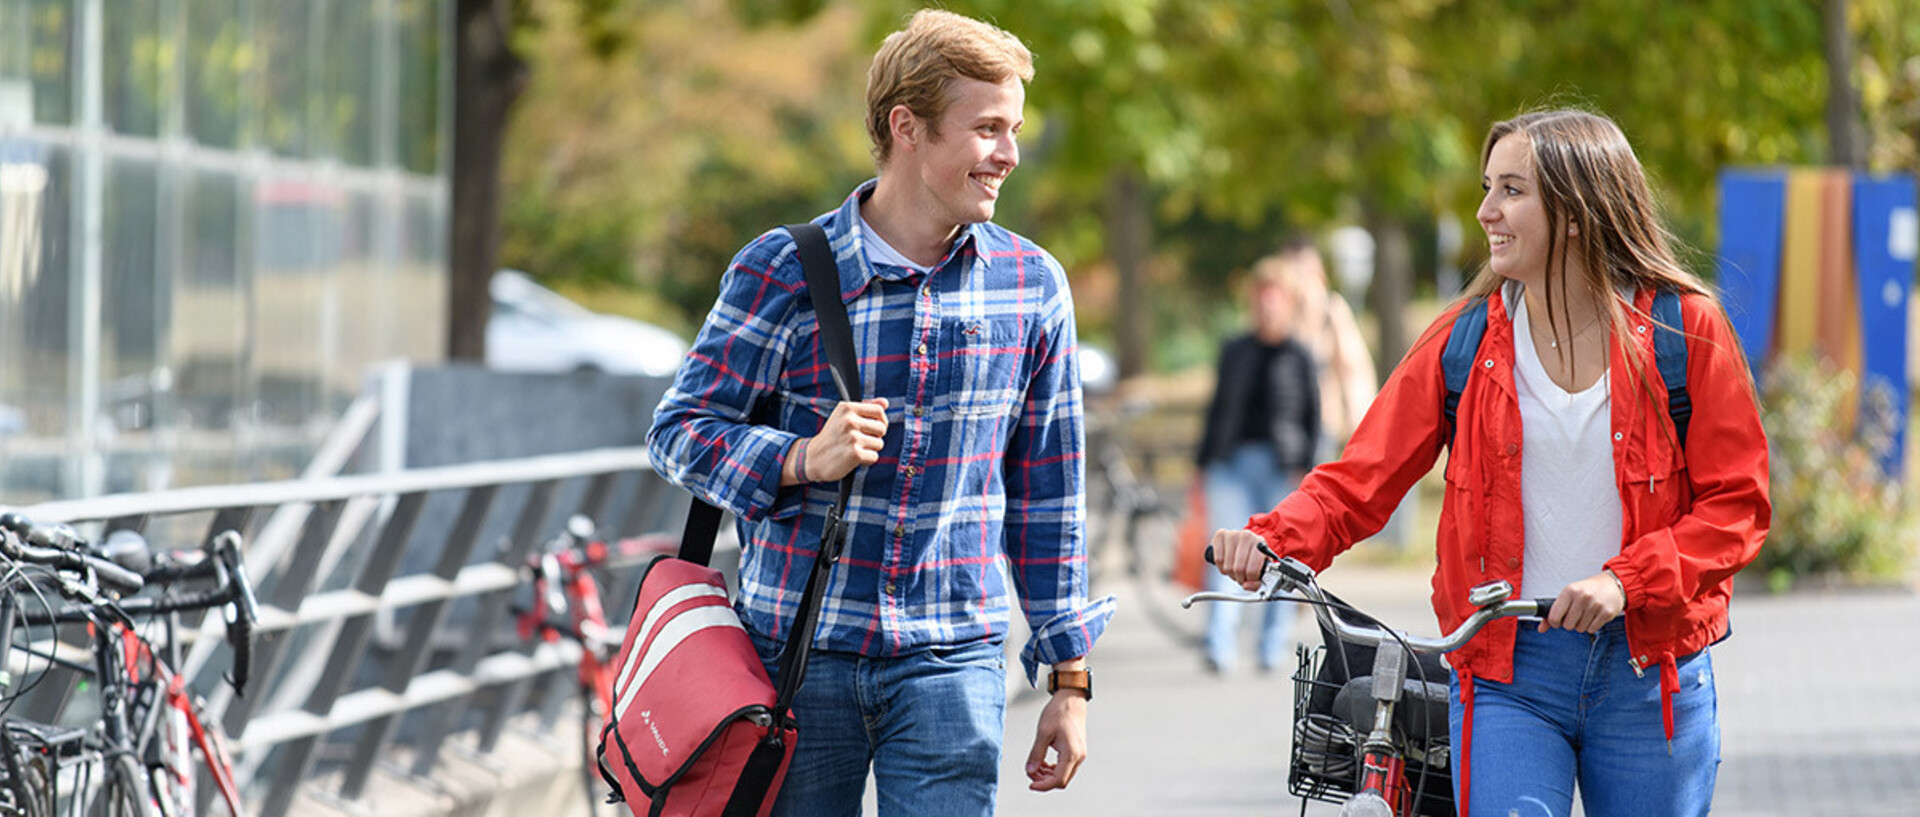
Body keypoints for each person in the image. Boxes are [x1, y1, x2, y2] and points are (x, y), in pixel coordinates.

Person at [1210, 108, 1769, 816]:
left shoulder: (1684, 330)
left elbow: (1737, 507)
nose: (1485, 211)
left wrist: (1626, 581)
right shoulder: (1463, 340)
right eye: (1486, 187)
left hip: (1648, 669)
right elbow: (1360, 479)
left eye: (1511, 190)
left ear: (1576, 209)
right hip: (1508, 668)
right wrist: (1275, 538)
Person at [647, 10, 1114, 815]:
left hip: (953, 664)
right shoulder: (784, 269)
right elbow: (679, 431)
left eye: (1015, 130)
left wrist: (1069, 680)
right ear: (908, 127)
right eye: (988, 129)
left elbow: (1049, 499)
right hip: (797, 658)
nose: (1009, 154)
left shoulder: (1031, 285)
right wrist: (797, 459)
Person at [1193, 257, 1319, 675]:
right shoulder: (1235, 349)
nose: (1267, 307)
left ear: (1288, 304)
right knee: (1224, 555)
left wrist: (1306, 471)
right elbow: (1216, 410)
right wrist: (1201, 465)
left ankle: (1269, 646)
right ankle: (1219, 646)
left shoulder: (1300, 356)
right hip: (1231, 464)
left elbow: (1312, 418)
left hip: (1281, 467)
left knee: (1277, 562)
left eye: (1275, 299)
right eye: (1261, 299)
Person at [1273, 235, 1378, 461]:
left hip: (1321, 424)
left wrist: (1359, 426)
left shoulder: (1331, 312)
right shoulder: (1276, 318)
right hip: (1279, 427)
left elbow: (1353, 371)